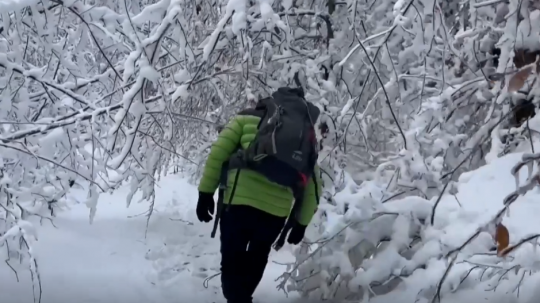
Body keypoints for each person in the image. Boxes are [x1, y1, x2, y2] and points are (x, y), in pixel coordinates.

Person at [196, 87, 323, 303]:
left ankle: (236, 299)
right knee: (258, 256)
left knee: (232, 256)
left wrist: (205, 192)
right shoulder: (304, 136)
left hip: (238, 202)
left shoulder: (247, 118)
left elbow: (219, 152)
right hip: (275, 211)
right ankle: (242, 297)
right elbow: (314, 184)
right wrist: (301, 223)